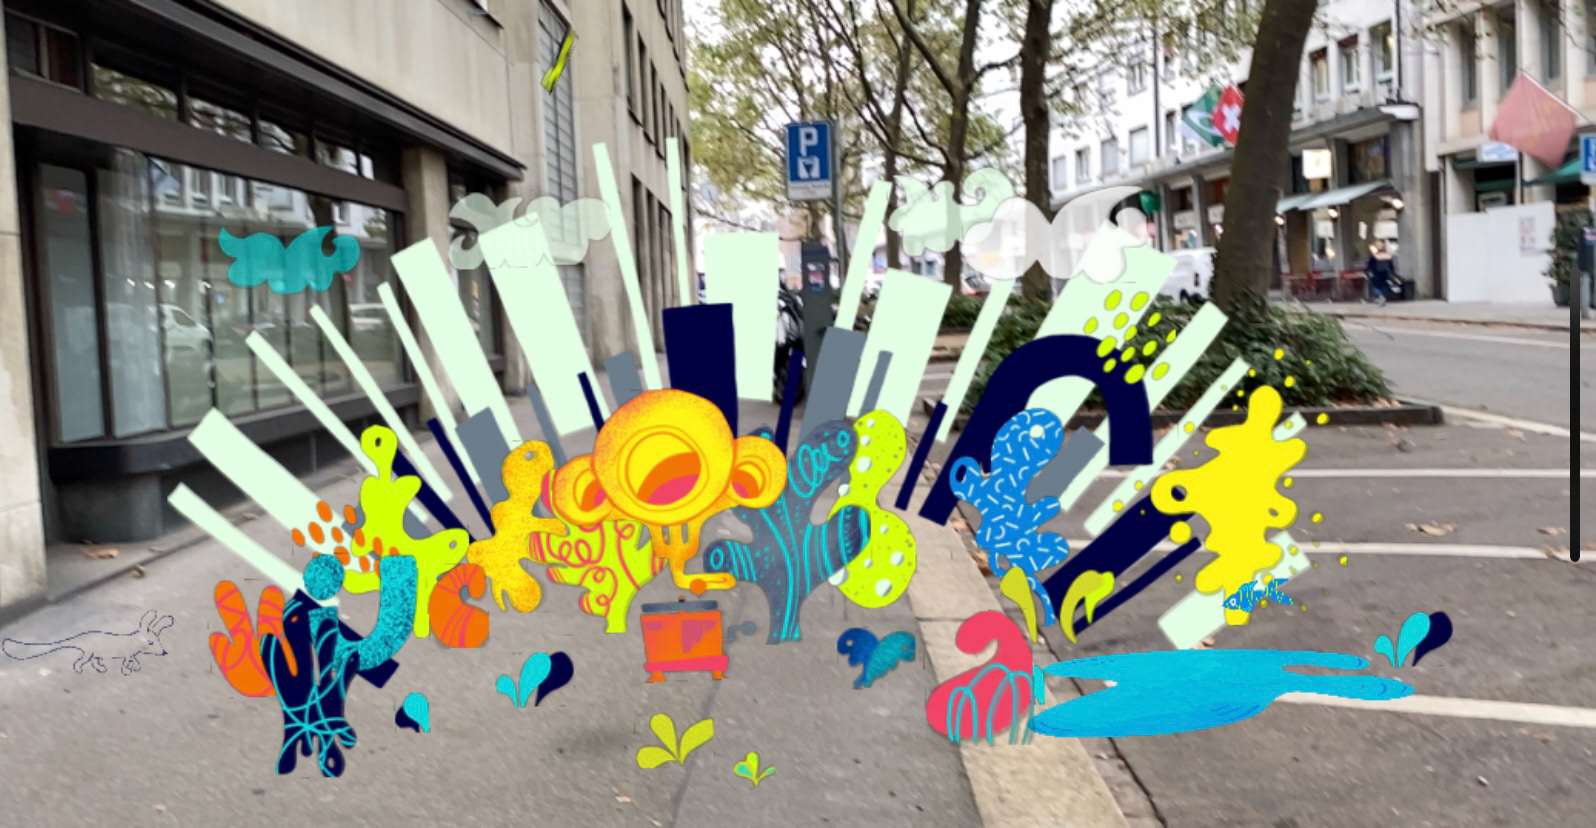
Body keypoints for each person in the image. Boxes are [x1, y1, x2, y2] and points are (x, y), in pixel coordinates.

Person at [1366, 240, 1397, 306]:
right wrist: (1392, 273)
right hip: (1385, 273)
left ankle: (1380, 297)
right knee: (1384, 286)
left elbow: (1370, 266)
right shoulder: (1388, 256)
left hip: (1376, 273)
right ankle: (1382, 297)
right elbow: (1391, 266)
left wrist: (1368, 272)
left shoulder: (1374, 256)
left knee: (1375, 286)